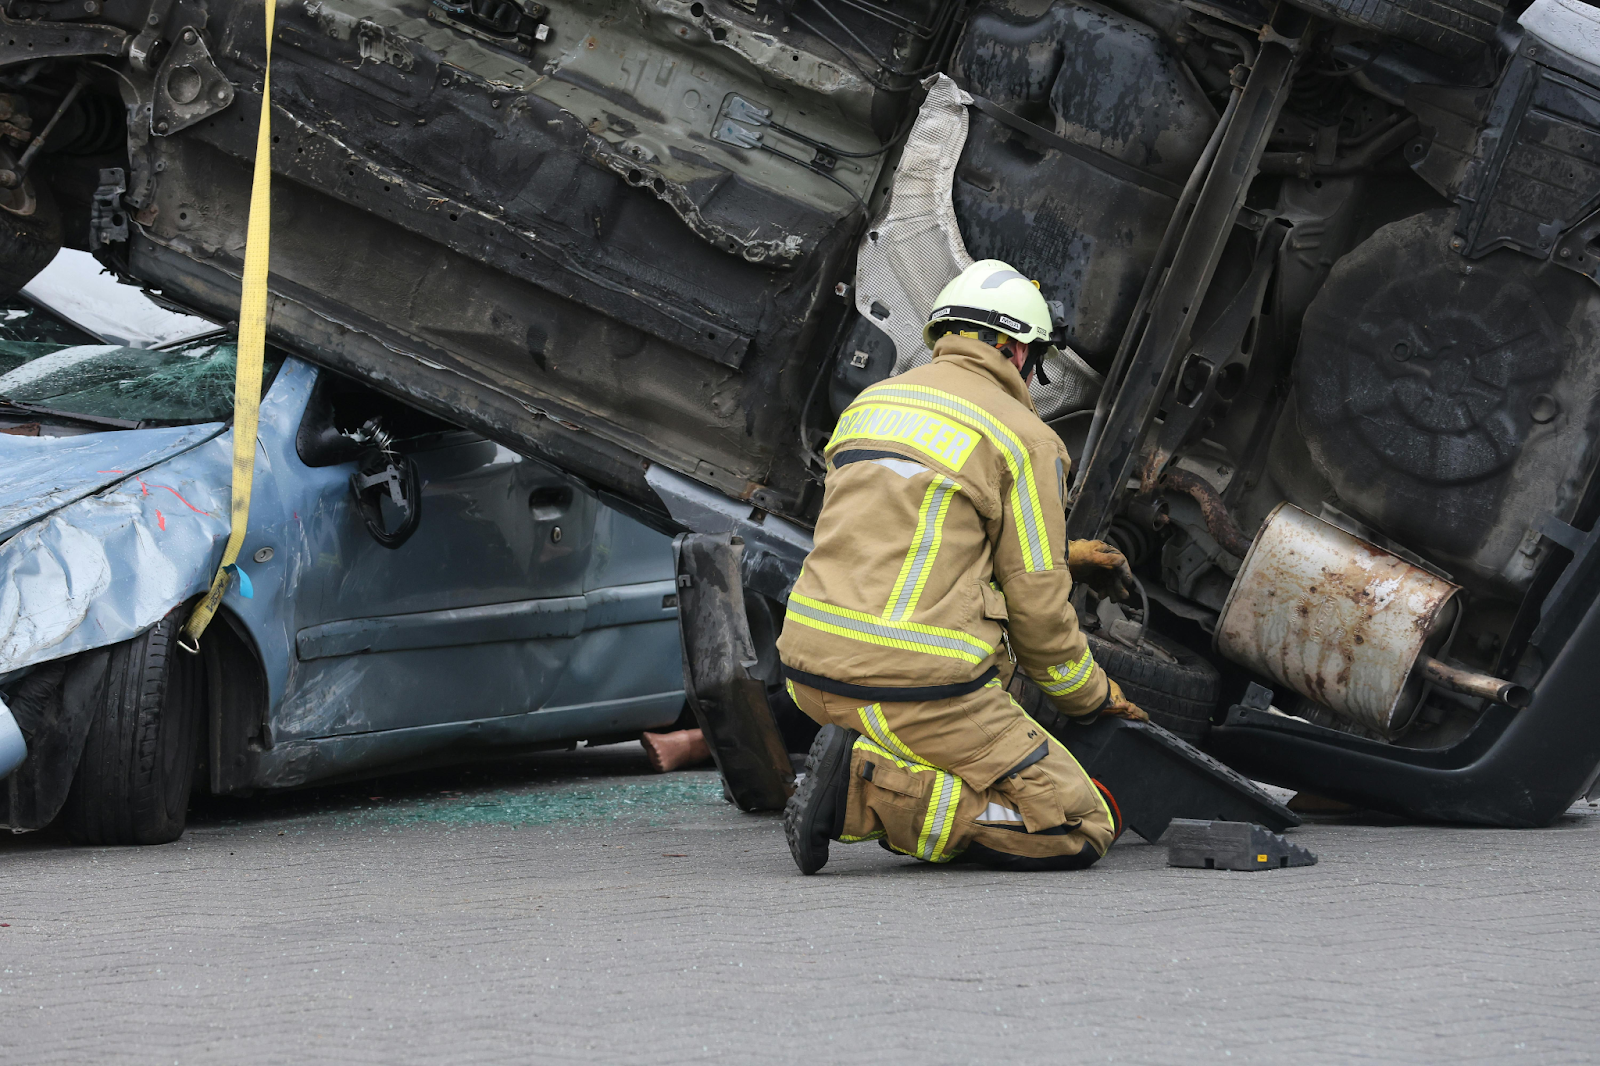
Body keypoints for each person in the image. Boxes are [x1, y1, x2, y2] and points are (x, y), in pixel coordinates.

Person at [778, 259, 1146, 875]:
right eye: (1035, 357)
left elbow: (909, 543)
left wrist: (1068, 561)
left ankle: (864, 761)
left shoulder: (871, 404)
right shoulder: (1023, 437)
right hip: (912, 690)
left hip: (808, 675)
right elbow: (1039, 620)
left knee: (989, 694)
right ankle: (861, 793)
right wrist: (1094, 698)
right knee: (1079, 824)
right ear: (1013, 349)